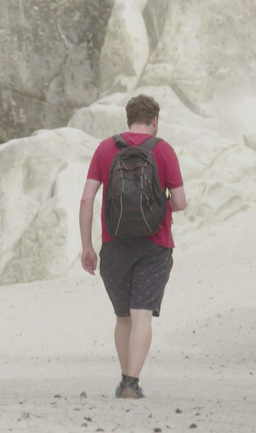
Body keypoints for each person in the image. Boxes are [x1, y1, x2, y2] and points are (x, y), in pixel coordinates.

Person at [79, 94, 187, 399]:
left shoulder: (105, 148)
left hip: (114, 245)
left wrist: (87, 246)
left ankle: (124, 377)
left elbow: (87, 199)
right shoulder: (163, 149)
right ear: (154, 121)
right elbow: (179, 202)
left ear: (128, 119)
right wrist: (157, 206)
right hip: (155, 245)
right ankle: (131, 382)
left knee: (122, 316)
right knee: (142, 315)